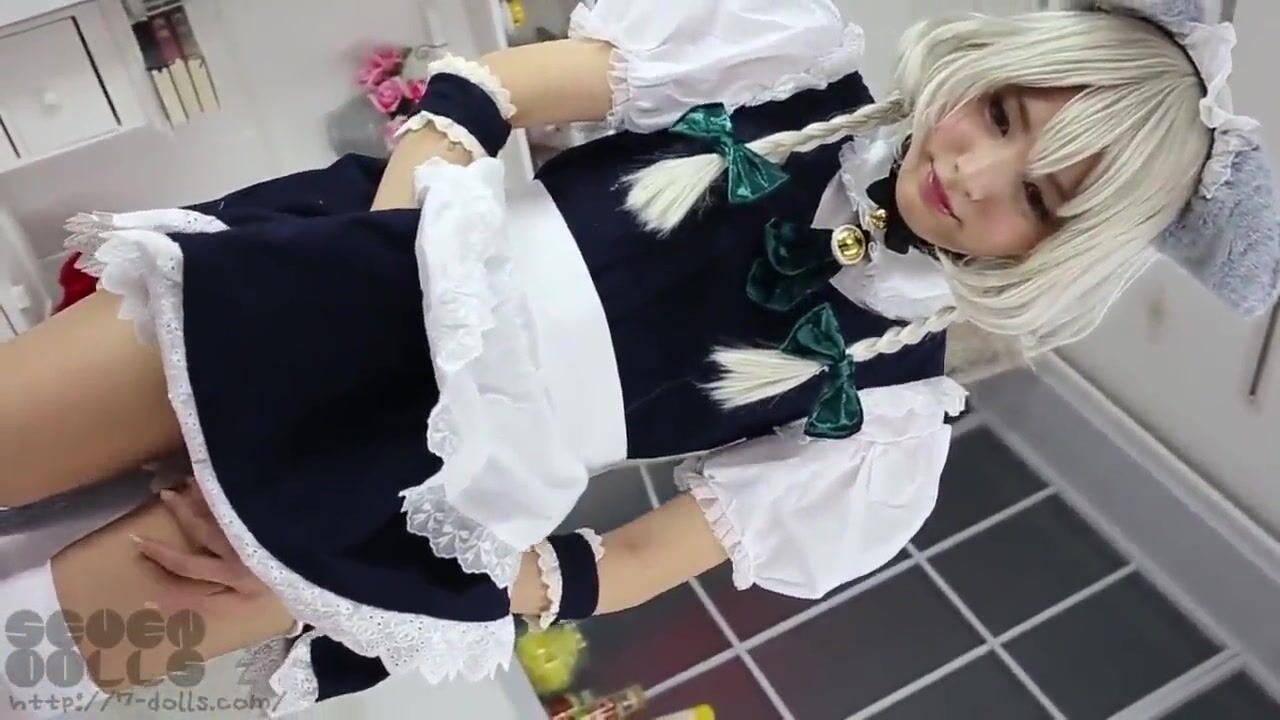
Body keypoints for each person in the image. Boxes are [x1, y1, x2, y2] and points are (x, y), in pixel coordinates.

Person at [1, 0, 1276, 715]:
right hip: (318, 298)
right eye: (998, 114)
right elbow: (487, 89)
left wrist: (418, 569)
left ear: (1065, 248)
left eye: (1038, 196)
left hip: (397, 506)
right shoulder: (775, 65)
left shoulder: (886, 416)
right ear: (988, 65)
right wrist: (380, 271)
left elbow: (621, 564)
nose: (973, 171)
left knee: (30, 658)